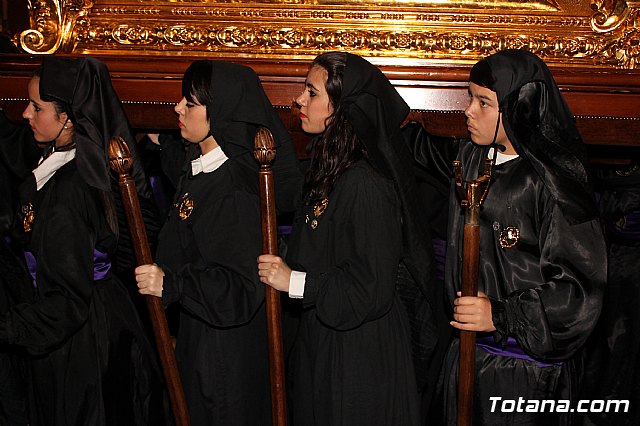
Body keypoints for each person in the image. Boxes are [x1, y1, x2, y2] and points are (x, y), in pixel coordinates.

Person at [403, 49, 606, 425]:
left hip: (524, 374)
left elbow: (578, 292)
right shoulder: (470, 159)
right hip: (467, 358)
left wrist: (500, 314)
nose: (468, 110)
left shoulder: (555, 183)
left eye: (483, 102)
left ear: (519, 108)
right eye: (470, 97)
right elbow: (414, 146)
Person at [257, 51, 444, 425]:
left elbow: (368, 291)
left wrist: (292, 281)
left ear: (341, 108)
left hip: (359, 359)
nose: (299, 100)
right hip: (326, 342)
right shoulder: (330, 170)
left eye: (312, 93)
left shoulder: (365, 184)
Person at [0, 56, 167, 426]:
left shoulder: (69, 193)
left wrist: (10, 327)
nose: (25, 114)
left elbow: (68, 301)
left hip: (82, 340)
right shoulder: (61, 160)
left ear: (69, 119)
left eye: (37, 107)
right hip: (85, 320)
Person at [134, 59, 302, 425]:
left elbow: (240, 288)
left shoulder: (234, 189)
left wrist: (173, 284)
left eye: (190, 103)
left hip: (225, 363)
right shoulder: (206, 167)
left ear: (220, 113)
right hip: (203, 342)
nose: (178, 107)